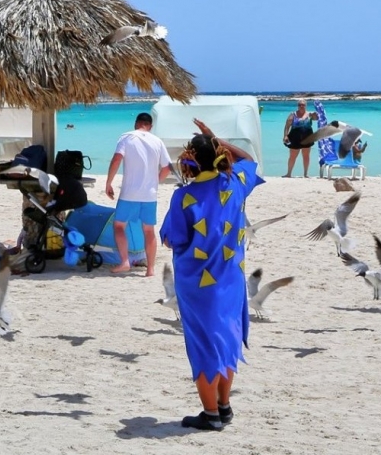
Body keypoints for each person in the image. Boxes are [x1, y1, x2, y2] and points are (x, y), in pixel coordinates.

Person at [160, 118, 263, 431]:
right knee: (225, 340)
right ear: (219, 155)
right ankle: (224, 406)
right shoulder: (235, 184)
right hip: (231, 280)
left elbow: (172, 239)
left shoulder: (184, 197)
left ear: (189, 161)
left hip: (198, 286)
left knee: (205, 345)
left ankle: (211, 414)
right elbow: (250, 160)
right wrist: (215, 137)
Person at [105, 111, 171, 276]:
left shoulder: (127, 137)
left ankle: (125, 261)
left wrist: (108, 182)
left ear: (136, 123)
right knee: (149, 230)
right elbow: (167, 167)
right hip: (150, 195)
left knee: (119, 225)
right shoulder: (157, 141)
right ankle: (150, 269)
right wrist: (156, 181)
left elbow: (117, 159)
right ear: (150, 126)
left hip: (129, 193)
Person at [282, 100, 315, 177]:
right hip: (294, 137)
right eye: (300, 105)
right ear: (297, 106)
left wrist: (315, 114)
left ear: (306, 105)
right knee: (292, 156)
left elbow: (317, 118)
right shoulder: (293, 115)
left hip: (307, 137)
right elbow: (287, 126)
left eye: (303, 105)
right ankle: (289, 173)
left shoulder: (309, 114)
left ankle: (305, 174)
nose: (301, 106)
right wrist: (285, 135)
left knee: (306, 155)